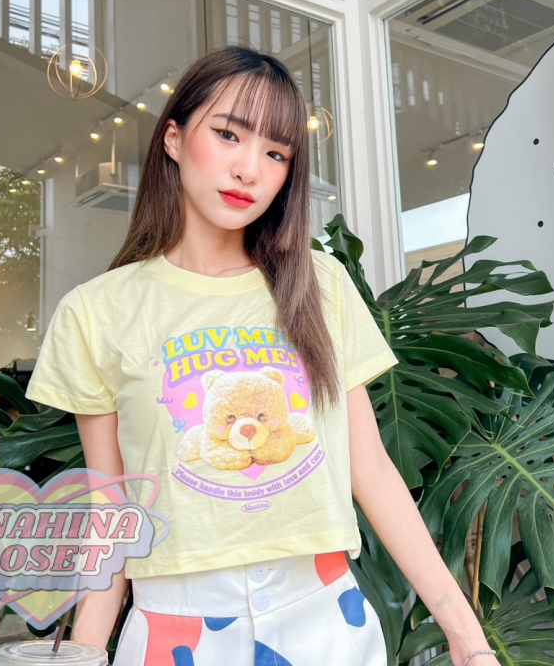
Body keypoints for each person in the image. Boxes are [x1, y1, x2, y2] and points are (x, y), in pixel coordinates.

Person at [25, 46, 502, 666]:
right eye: (228, 134)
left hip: (324, 615)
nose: (249, 169)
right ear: (174, 138)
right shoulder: (96, 312)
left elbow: (371, 468)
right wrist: (83, 652)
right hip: (177, 629)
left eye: (276, 153)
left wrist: (468, 638)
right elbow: (111, 509)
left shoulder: (320, 285)